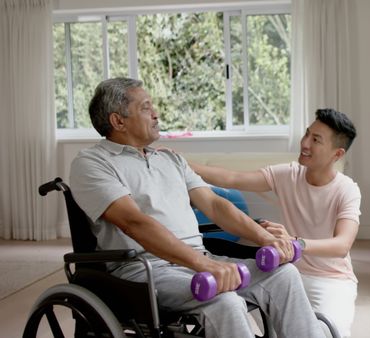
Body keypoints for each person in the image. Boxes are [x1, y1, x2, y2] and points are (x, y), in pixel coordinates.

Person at [69, 77, 325, 338]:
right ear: (118, 121)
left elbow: (214, 205)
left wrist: (266, 239)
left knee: (284, 276)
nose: (156, 114)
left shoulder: (170, 159)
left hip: (200, 259)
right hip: (145, 270)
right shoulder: (92, 163)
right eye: (146, 108)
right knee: (226, 301)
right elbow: (134, 222)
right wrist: (204, 267)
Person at [189, 108, 361, 337]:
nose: (305, 143)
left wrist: (296, 243)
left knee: (324, 333)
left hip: (331, 281)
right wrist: (179, 162)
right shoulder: (289, 174)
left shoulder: (346, 189)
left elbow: (342, 246)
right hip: (286, 274)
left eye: (316, 140)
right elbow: (232, 178)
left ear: (336, 154)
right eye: (307, 134)